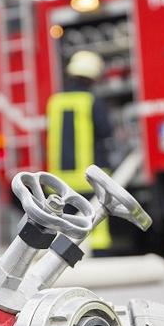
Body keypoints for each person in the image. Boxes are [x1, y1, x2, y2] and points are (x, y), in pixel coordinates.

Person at [46, 50, 113, 251]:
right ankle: (99, 254)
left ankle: (59, 259)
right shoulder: (90, 101)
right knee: (95, 223)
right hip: (90, 177)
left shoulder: (55, 102)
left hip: (60, 180)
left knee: (64, 225)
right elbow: (105, 131)